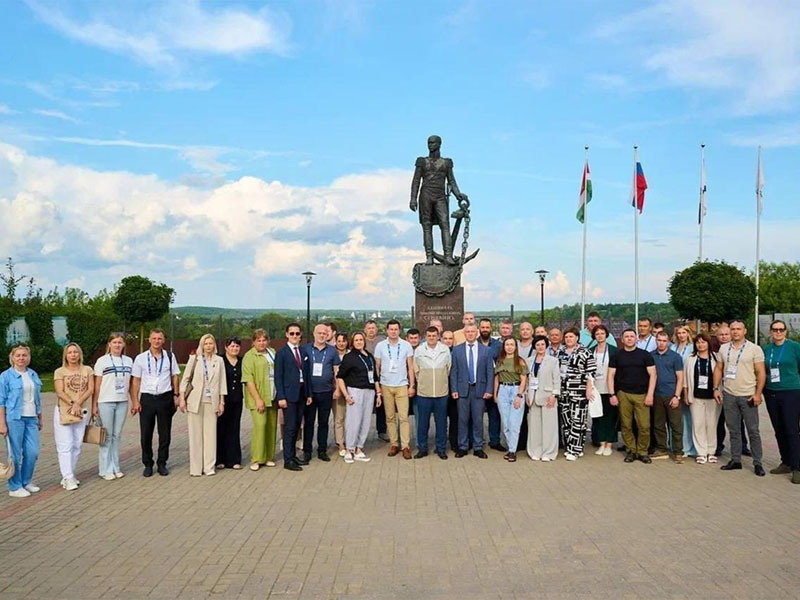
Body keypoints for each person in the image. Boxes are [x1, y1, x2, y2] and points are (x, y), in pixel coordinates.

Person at [714, 319, 766, 476]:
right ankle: (736, 460)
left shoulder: (754, 349)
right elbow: (718, 368)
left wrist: (758, 393)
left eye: (738, 329)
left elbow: (761, 373)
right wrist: (716, 388)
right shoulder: (724, 348)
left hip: (748, 395)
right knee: (733, 429)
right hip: (729, 394)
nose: (735, 331)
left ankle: (758, 463)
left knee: (753, 431)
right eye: (733, 329)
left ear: (745, 331)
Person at [131, 329, 180, 477]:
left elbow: (175, 376)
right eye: (154, 338)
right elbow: (136, 380)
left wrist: (176, 395)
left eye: (160, 338)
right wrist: (135, 401)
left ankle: (162, 463)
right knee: (146, 433)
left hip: (165, 398)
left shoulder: (170, 356)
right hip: (147, 399)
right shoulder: (140, 358)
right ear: (149, 340)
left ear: (164, 340)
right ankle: (147, 464)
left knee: (164, 434)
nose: (157, 341)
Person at [178, 334, 226, 477]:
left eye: (211, 343)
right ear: (201, 345)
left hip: (212, 402)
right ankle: (196, 468)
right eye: (206, 344)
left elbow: (222, 382)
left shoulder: (219, 361)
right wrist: (182, 399)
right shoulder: (195, 359)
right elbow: (185, 380)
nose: (208, 346)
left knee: (210, 436)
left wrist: (221, 402)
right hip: (195, 401)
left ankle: (209, 467)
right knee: (195, 435)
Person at [607, 328, 657, 464]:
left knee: (644, 425)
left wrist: (650, 394)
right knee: (626, 425)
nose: (629, 339)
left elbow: (653, 375)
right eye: (626, 337)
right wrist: (612, 394)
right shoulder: (617, 355)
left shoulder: (645, 355)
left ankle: (642, 451)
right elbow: (610, 375)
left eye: (631, 336)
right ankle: (631, 450)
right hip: (623, 394)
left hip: (642, 394)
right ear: (622, 340)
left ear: (636, 339)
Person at [0, 345, 42, 497]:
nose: (21, 358)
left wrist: (40, 417)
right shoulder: (5, 376)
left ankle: (26, 481)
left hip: (31, 418)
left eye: (24, 355)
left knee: (33, 452)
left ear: (28, 358)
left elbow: (37, 398)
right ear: (12, 358)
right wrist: (2, 423)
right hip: (14, 418)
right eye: (18, 355)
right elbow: (1, 401)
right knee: (15, 454)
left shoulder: (32, 374)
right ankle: (14, 487)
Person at [762, 319, 800, 484]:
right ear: (771, 332)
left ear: (785, 331)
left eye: (781, 330)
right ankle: (786, 461)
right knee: (778, 428)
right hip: (771, 392)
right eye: (775, 330)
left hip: (791, 391)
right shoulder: (767, 349)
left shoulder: (794, 347)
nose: (778, 332)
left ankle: (797, 467)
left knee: (792, 429)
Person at [53, 343, 94, 490]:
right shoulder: (60, 371)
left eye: (75, 352)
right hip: (64, 410)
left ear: (79, 354)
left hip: (81, 410)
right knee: (65, 445)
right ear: (65, 355)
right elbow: (59, 391)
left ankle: (69, 474)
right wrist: (72, 404)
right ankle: (68, 477)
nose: (73, 355)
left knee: (77, 444)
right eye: (70, 352)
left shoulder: (87, 369)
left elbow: (90, 389)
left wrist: (79, 403)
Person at [92, 332, 133, 481]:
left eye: (120, 342)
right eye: (114, 342)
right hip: (105, 401)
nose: (117, 345)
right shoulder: (102, 361)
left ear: (123, 345)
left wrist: (134, 401)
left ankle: (116, 466)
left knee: (117, 435)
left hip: (122, 401)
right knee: (107, 436)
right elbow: (97, 384)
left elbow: (131, 384)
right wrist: (94, 404)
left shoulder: (128, 361)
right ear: (109, 344)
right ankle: (105, 469)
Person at [337, 331, 382, 463]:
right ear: (352, 342)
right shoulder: (349, 357)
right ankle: (349, 449)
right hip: (355, 391)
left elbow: (375, 377)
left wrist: (378, 393)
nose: (359, 342)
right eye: (356, 340)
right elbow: (340, 377)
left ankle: (359, 448)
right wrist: (346, 395)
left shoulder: (369, 356)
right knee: (354, 421)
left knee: (366, 421)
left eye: (361, 340)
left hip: (369, 391)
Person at [450, 324, 494, 458]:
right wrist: (454, 389)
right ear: (464, 333)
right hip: (462, 389)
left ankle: (478, 447)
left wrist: (489, 389)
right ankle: (462, 447)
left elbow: (489, 372)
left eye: (472, 331)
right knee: (462, 420)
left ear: (477, 333)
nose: (470, 334)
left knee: (478, 420)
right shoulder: (457, 350)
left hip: (479, 390)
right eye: (467, 332)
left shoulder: (485, 350)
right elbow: (454, 371)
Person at [375, 320, 416, 460]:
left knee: (404, 418)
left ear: (399, 331)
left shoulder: (406, 346)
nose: (393, 331)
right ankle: (394, 444)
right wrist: (378, 387)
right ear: (387, 330)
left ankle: (405, 446)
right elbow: (377, 367)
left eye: (396, 329)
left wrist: (412, 385)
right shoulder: (380, 346)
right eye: (391, 329)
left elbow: (410, 367)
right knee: (390, 417)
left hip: (402, 385)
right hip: (385, 385)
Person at [275, 323, 312, 472]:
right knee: (289, 428)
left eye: (297, 333)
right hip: (289, 396)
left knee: (297, 426)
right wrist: (281, 397)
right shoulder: (282, 353)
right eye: (292, 334)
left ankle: (293, 456)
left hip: (302, 394)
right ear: (286, 335)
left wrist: (309, 394)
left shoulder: (303, 352)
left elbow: (307, 375)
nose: (295, 336)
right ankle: (287, 459)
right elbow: (278, 377)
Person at [302, 323, 341, 463]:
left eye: (325, 333)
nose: (322, 335)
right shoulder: (305, 349)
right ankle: (307, 451)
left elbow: (337, 371)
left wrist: (337, 389)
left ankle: (322, 450)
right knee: (309, 423)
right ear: (314, 334)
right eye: (319, 333)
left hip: (326, 392)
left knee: (324, 422)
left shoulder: (332, 351)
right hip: (310, 393)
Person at [557, 328, 596, 461]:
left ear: (577, 338)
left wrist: (588, 389)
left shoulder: (585, 352)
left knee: (578, 421)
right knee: (566, 421)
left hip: (579, 391)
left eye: (571, 336)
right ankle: (570, 447)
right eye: (566, 336)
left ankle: (576, 449)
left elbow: (591, 373)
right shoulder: (560, 352)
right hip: (563, 391)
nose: (568, 339)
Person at [242, 329, 278, 470]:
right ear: (253, 342)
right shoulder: (249, 356)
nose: (262, 343)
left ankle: (269, 456)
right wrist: (257, 399)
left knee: (271, 426)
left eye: (264, 340)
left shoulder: (272, 352)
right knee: (260, 425)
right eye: (259, 340)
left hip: (272, 395)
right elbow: (248, 379)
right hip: (258, 396)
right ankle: (257, 459)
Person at [413, 326, 451, 459]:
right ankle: (422, 448)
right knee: (423, 424)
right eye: (429, 335)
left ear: (438, 336)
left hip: (441, 393)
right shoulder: (419, 350)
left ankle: (441, 449)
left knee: (441, 423)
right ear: (425, 336)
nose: (431, 338)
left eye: (434, 335)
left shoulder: (445, 350)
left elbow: (448, 369)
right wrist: (425, 382)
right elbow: (416, 370)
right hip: (424, 394)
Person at [712, 324, 749, 457]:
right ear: (716, 337)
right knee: (719, 420)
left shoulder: (738, 349)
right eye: (721, 335)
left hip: (735, 389)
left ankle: (743, 446)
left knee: (738, 420)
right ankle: (718, 446)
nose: (724, 337)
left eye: (726, 334)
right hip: (719, 390)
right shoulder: (713, 350)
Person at [684, 333, 720, 464]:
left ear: (708, 343)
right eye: (698, 342)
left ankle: (711, 451)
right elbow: (685, 380)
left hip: (713, 397)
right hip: (696, 396)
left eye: (703, 342)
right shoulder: (690, 358)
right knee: (698, 424)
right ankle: (701, 452)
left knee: (711, 424)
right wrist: (686, 394)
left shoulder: (716, 357)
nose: (701, 344)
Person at [650, 331, 685, 463]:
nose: (661, 343)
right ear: (656, 341)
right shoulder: (651, 355)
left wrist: (677, 396)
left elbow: (680, 377)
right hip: (657, 395)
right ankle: (661, 449)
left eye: (664, 341)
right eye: (659, 340)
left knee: (675, 425)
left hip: (671, 395)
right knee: (658, 424)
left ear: (668, 342)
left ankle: (678, 451)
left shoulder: (675, 357)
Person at [493, 337, 528, 462]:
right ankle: (510, 447)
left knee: (514, 423)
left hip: (515, 389)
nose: (509, 347)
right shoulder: (500, 361)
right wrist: (495, 394)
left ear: (515, 347)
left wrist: (519, 395)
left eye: (512, 344)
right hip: (503, 390)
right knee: (506, 423)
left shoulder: (520, 361)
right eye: (507, 344)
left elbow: (524, 379)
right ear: (504, 346)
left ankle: (513, 451)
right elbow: (496, 378)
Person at [526, 335, 561, 461]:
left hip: (548, 397)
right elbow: (526, 380)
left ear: (546, 346)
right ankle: (536, 450)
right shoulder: (529, 361)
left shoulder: (553, 361)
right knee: (535, 427)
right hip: (533, 396)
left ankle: (549, 452)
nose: (540, 347)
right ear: (534, 347)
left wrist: (554, 395)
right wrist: (526, 394)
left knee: (549, 427)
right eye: (537, 345)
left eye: (542, 344)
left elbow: (557, 379)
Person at [590, 325, 618, 456]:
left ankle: (609, 444)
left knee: (610, 416)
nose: (600, 336)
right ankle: (601, 443)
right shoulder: (590, 351)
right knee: (598, 417)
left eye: (602, 333)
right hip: (596, 388)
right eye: (597, 334)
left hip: (609, 388)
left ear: (606, 335)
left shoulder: (613, 351)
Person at [216, 337, 243, 470]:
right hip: (222, 400)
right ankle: (220, 459)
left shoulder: (242, 361)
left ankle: (234, 459)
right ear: (226, 347)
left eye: (237, 346)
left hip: (237, 399)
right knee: (221, 429)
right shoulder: (220, 360)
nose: (234, 349)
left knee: (234, 428)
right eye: (232, 346)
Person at [670, 325, 696, 458]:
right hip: (673, 385)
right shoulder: (672, 347)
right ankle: (675, 445)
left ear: (688, 334)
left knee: (687, 418)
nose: (681, 335)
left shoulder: (692, 349)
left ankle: (689, 447)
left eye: (683, 332)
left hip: (687, 385)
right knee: (675, 418)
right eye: (679, 333)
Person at [479, 318, 504, 451]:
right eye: (482, 327)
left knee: (494, 414)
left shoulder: (498, 345)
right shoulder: (474, 343)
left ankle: (494, 441)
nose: (485, 330)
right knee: (477, 415)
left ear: (491, 328)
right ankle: (476, 441)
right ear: (479, 328)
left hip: (494, 384)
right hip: (478, 384)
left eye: (487, 327)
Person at [364, 319, 388, 442]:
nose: (371, 330)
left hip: (381, 377)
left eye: (373, 328)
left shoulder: (383, 341)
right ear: (365, 330)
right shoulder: (362, 342)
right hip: (365, 379)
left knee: (381, 406)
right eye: (369, 328)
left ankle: (382, 430)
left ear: (377, 329)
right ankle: (362, 432)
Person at [517, 321, 535, 452]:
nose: (525, 331)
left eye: (527, 329)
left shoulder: (537, 345)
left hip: (533, 384)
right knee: (519, 415)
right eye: (522, 329)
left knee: (532, 414)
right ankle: (520, 442)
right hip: (517, 384)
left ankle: (532, 442)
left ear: (532, 331)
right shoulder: (515, 345)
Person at [332, 332, 350, 457]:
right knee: (339, 418)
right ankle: (340, 443)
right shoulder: (332, 354)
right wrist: (338, 389)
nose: (341, 343)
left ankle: (350, 441)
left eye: (343, 341)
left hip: (350, 389)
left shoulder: (351, 355)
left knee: (350, 418)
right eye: (339, 341)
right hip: (336, 390)